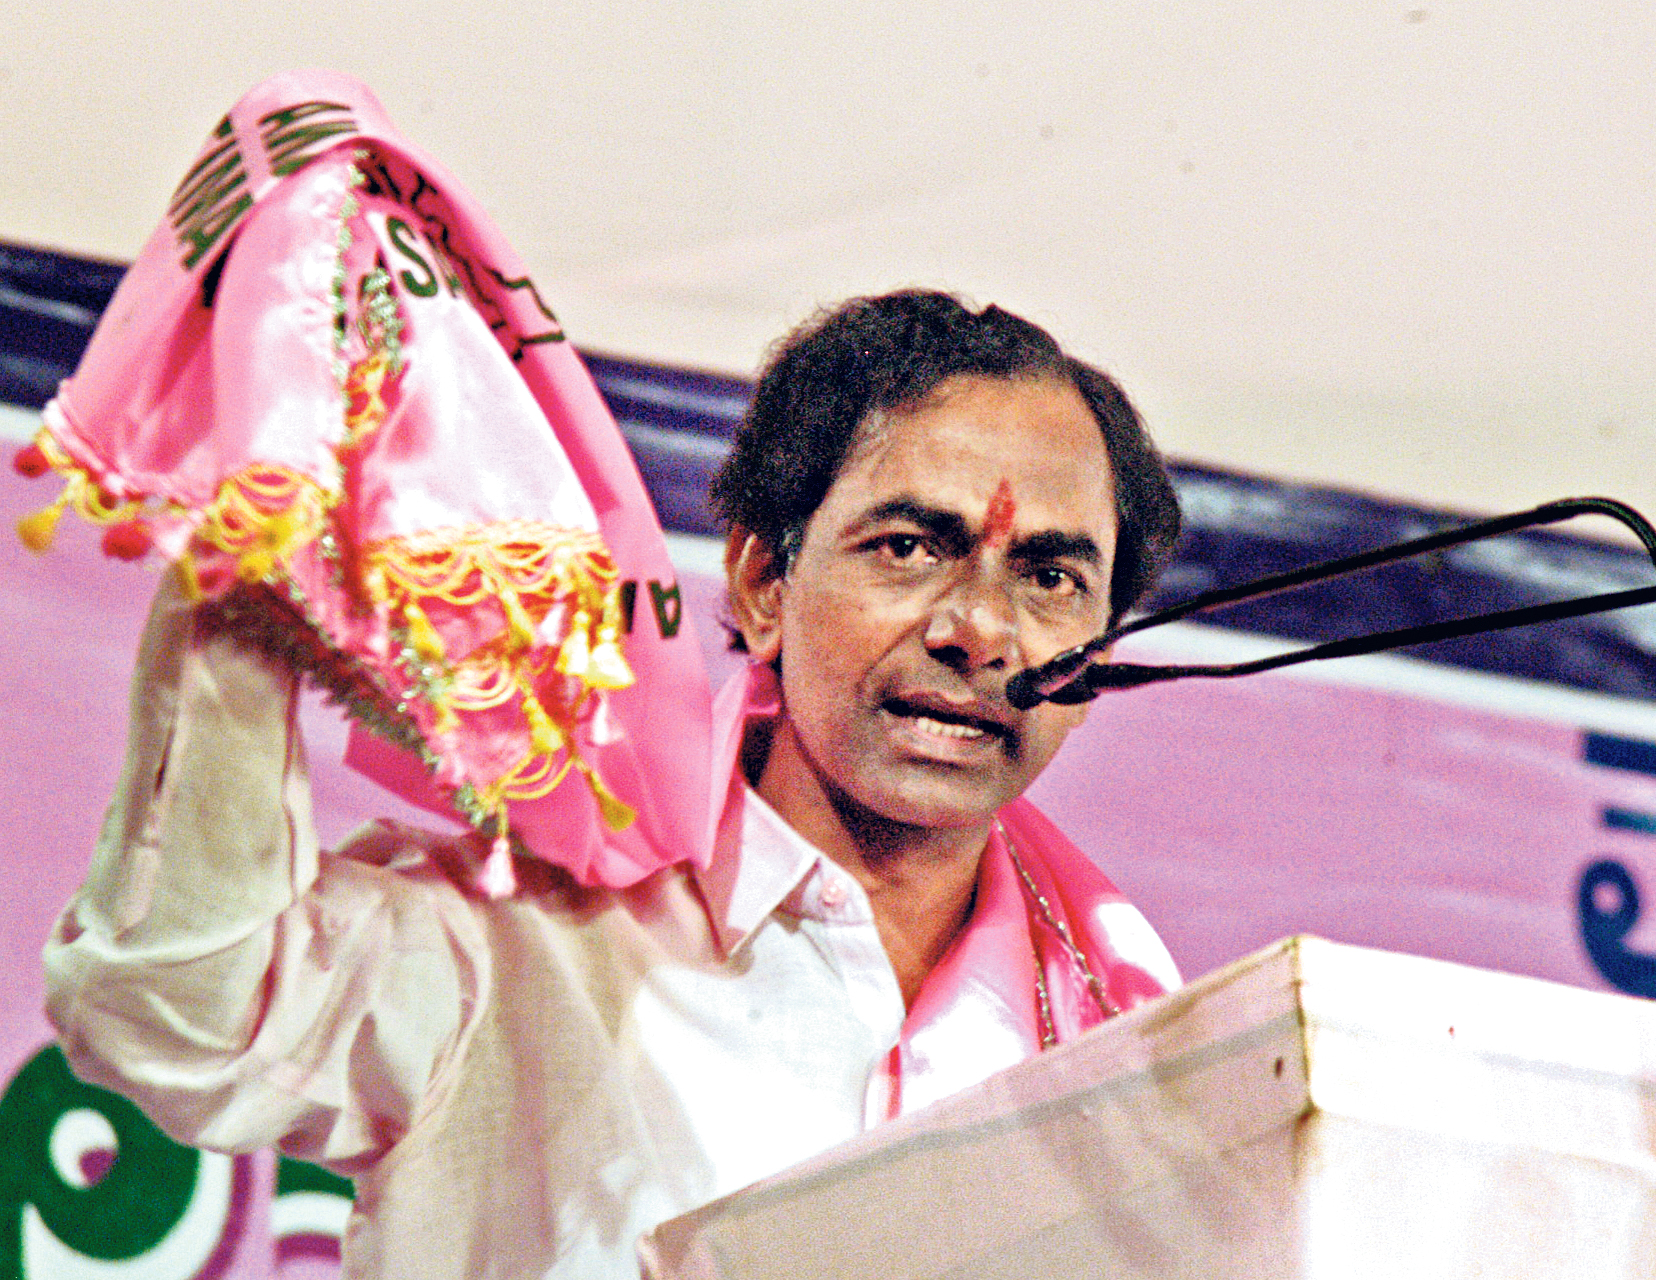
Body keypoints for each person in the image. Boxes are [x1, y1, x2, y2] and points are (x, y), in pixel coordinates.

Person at [42, 288, 1185, 1279]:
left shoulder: (1140, 1039)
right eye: (909, 547)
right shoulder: (517, 936)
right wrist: (247, 582)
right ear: (761, 581)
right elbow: (175, 1013)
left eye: (1048, 575)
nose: (980, 628)